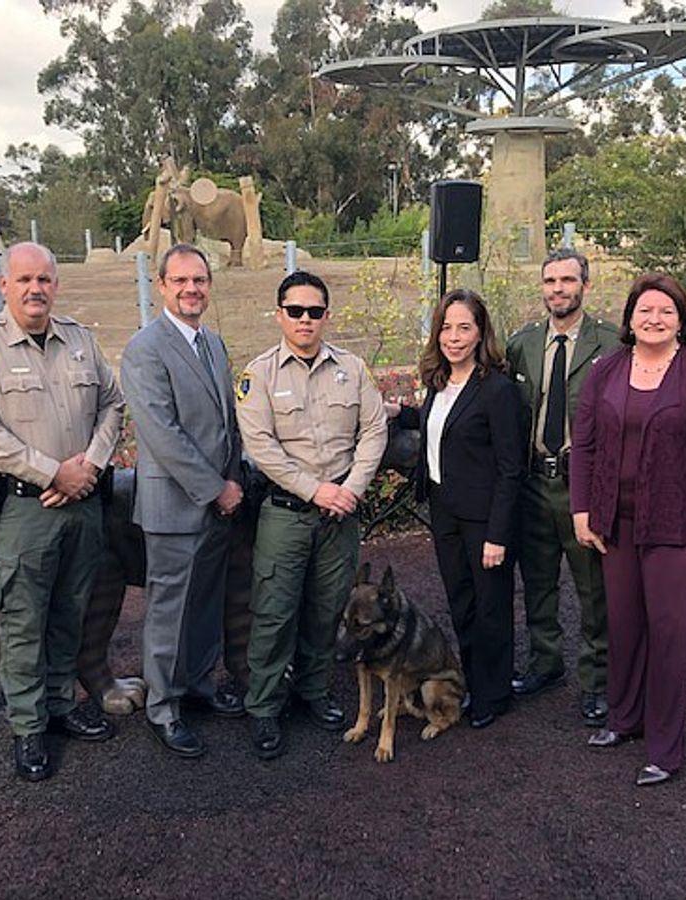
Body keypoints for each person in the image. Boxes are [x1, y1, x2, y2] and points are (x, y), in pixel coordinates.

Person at [0, 242, 124, 782]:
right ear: (4, 285)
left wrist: (90, 467)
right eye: (24, 279)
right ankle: (28, 727)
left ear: (56, 284)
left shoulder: (80, 340)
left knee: (70, 610)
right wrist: (52, 472)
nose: (36, 289)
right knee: (24, 622)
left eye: (45, 279)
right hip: (26, 510)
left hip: (83, 502)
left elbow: (113, 405)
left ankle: (58, 703)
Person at [571, 272, 686, 787]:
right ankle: (624, 719)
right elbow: (584, 445)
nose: (654, 319)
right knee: (623, 627)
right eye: (645, 310)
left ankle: (666, 749)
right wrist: (582, 511)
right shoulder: (606, 370)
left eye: (666, 311)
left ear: (681, 320)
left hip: (675, 524)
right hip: (614, 524)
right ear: (629, 318)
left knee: (669, 636)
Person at [235, 270, 388, 759]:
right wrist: (316, 490)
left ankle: (314, 692)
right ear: (279, 314)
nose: (305, 319)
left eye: (314, 311)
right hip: (286, 514)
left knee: (327, 611)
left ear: (327, 315)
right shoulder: (258, 375)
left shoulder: (352, 368)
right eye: (295, 310)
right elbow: (260, 446)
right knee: (274, 613)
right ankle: (264, 706)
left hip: (339, 515)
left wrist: (350, 489)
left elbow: (374, 432)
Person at [120, 243, 245, 760]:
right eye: (181, 281)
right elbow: (163, 434)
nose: (192, 289)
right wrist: (215, 488)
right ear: (162, 285)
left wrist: (231, 481)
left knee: (205, 605)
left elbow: (226, 424)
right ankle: (164, 707)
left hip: (219, 503)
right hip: (175, 507)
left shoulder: (212, 343)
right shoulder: (144, 349)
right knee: (169, 611)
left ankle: (196, 683)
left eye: (200, 280)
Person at [389, 290, 524, 728]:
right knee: (461, 602)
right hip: (444, 512)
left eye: (464, 327)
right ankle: (473, 684)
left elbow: (510, 469)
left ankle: (494, 693)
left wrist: (499, 535)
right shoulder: (440, 383)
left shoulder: (498, 390)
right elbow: (441, 426)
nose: (454, 336)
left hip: (485, 519)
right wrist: (404, 414)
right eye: (446, 327)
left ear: (481, 332)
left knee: (490, 607)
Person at [506, 248, 620, 724]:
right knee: (537, 582)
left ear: (585, 286)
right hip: (534, 481)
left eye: (567, 280)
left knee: (594, 589)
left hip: (584, 485)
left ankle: (598, 680)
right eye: (550, 280)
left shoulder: (611, 344)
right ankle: (545, 663)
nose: (558, 289)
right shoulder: (523, 343)